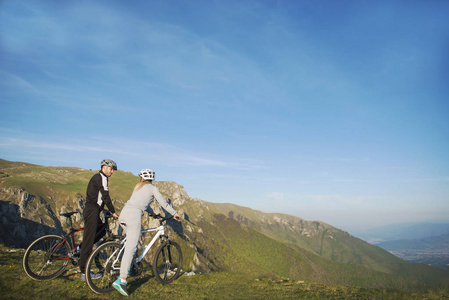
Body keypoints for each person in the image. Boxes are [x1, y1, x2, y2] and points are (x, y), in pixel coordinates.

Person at [112, 168, 180, 296]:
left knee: (131, 243)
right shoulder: (153, 189)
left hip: (124, 214)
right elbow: (164, 204)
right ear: (151, 179)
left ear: (142, 178)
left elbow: (144, 204)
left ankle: (131, 268)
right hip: (133, 216)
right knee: (131, 247)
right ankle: (121, 280)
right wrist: (175, 214)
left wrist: (152, 213)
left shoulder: (138, 187)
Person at [79, 159, 119, 281]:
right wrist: (113, 211)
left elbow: (100, 197)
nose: (112, 172)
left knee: (101, 231)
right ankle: (84, 273)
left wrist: (104, 210)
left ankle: (80, 249)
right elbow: (105, 196)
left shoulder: (98, 177)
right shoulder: (101, 177)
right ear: (104, 167)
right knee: (89, 240)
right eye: (111, 169)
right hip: (92, 211)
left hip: (94, 210)